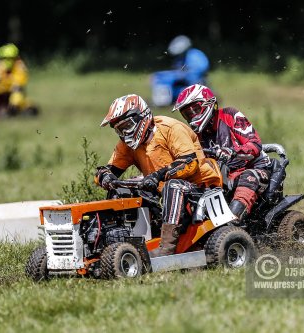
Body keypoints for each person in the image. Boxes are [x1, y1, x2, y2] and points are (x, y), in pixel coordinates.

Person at [95, 94, 222, 257]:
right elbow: (109, 169)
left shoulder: (170, 128)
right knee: (121, 190)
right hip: (164, 189)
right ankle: (119, 244)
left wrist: (157, 176)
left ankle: (167, 249)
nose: (124, 132)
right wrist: (105, 177)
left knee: (173, 185)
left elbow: (189, 163)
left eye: (127, 126)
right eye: (119, 129)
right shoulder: (128, 145)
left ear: (142, 117)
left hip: (200, 187)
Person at [172, 84, 271, 223]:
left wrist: (232, 152)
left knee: (248, 178)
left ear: (209, 103)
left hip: (253, 168)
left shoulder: (229, 115)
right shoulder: (194, 134)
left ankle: (233, 223)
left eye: (196, 109)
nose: (192, 116)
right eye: (187, 114)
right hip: (221, 176)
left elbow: (254, 144)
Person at [151, 35, 210, 107]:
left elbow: (199, 72)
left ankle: (165, 101)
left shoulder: (195, 55)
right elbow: (176, 71)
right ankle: (163, 101)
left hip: (195, 84)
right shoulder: (180, 58)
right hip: (183, 83)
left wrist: (182, 75)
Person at [0, 43, 29, 115]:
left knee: (16, 97)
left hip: (13, 92)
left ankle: (13, 110)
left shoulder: (20, 67)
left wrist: (7, 83)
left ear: (15, 58)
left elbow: (19, 83)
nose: (8, 60)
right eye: (5, 58)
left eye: (11, 58)